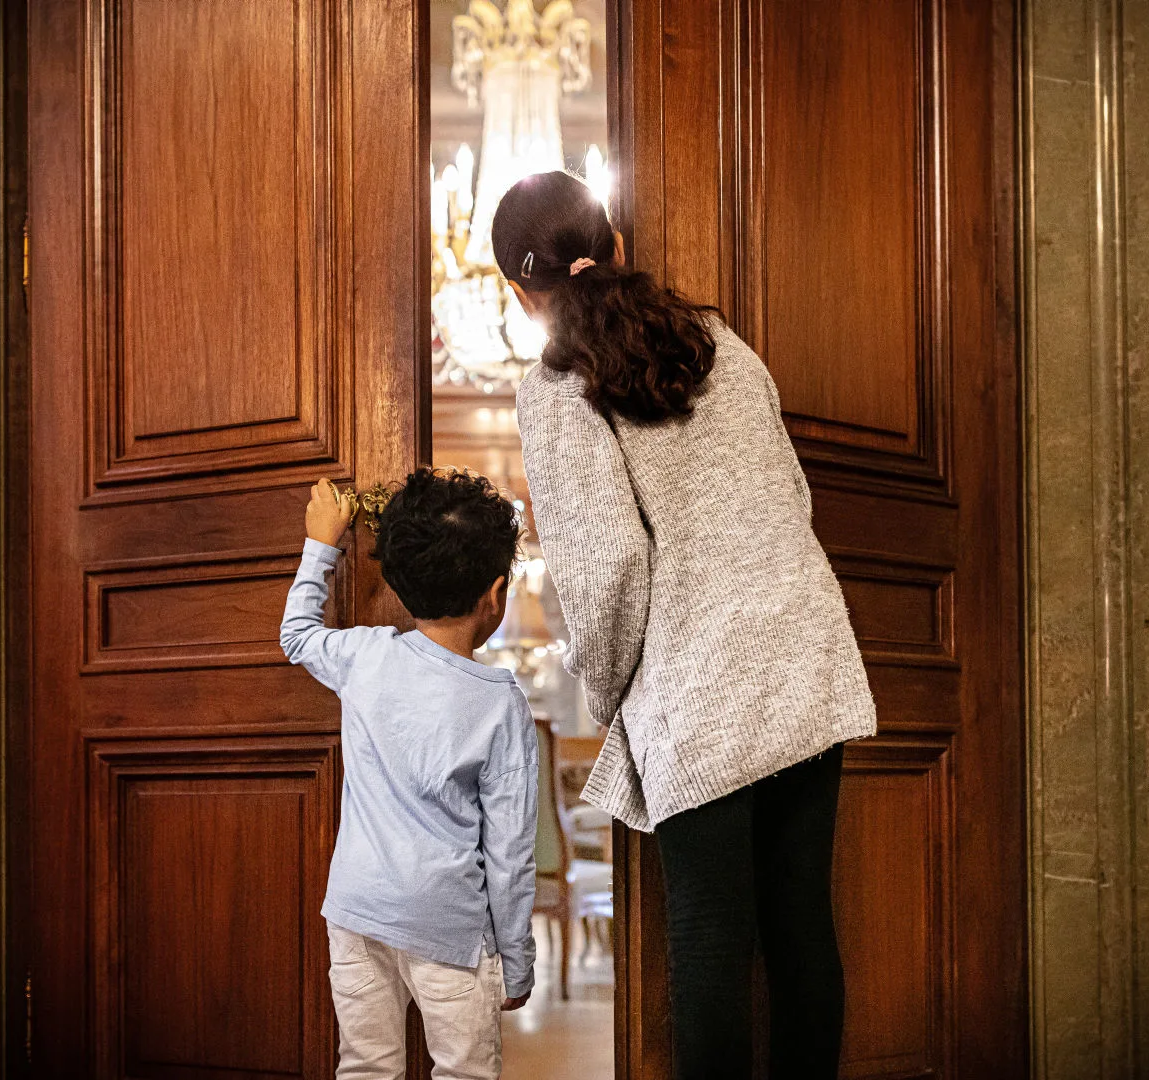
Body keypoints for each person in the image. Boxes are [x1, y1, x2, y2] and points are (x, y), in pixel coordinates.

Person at [494, 170, 877, 1080]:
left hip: (700, 682)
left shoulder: (555, 390)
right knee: (801, 931)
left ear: (520, 291)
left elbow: (606, 566)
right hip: (805, 651)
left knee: (708, 945)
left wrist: (615, 685)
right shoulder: (723, 345)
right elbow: (794, 494)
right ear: (617, 242)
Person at [281, 470, 538, 1080]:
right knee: (463, 1072)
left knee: (366, 1068)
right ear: (495, 594)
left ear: (396, 579)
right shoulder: (500, 704)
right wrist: (518, 961)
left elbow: (296, 636)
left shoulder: (364, 655)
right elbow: (510, 853)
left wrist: (322, 543)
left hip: (356, 910)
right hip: (448, 929)